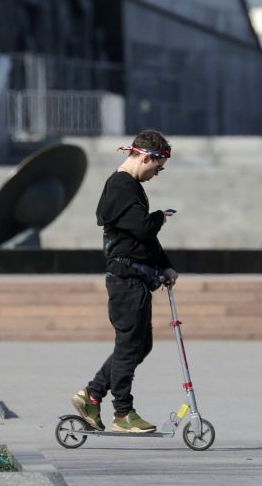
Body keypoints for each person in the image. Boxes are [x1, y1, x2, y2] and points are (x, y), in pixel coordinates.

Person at [71, 129, 178, 434]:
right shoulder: (121, 186)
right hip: (126, 281)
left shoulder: (129, 188)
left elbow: (142, 239)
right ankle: (123, 412)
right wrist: (160, 217)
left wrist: (166, 266)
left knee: (139, 345)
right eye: (156, 168)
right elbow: (143, 229)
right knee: (129, 346)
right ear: (145, 157)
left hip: (136, 279)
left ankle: (92, 395)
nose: (156, 175)